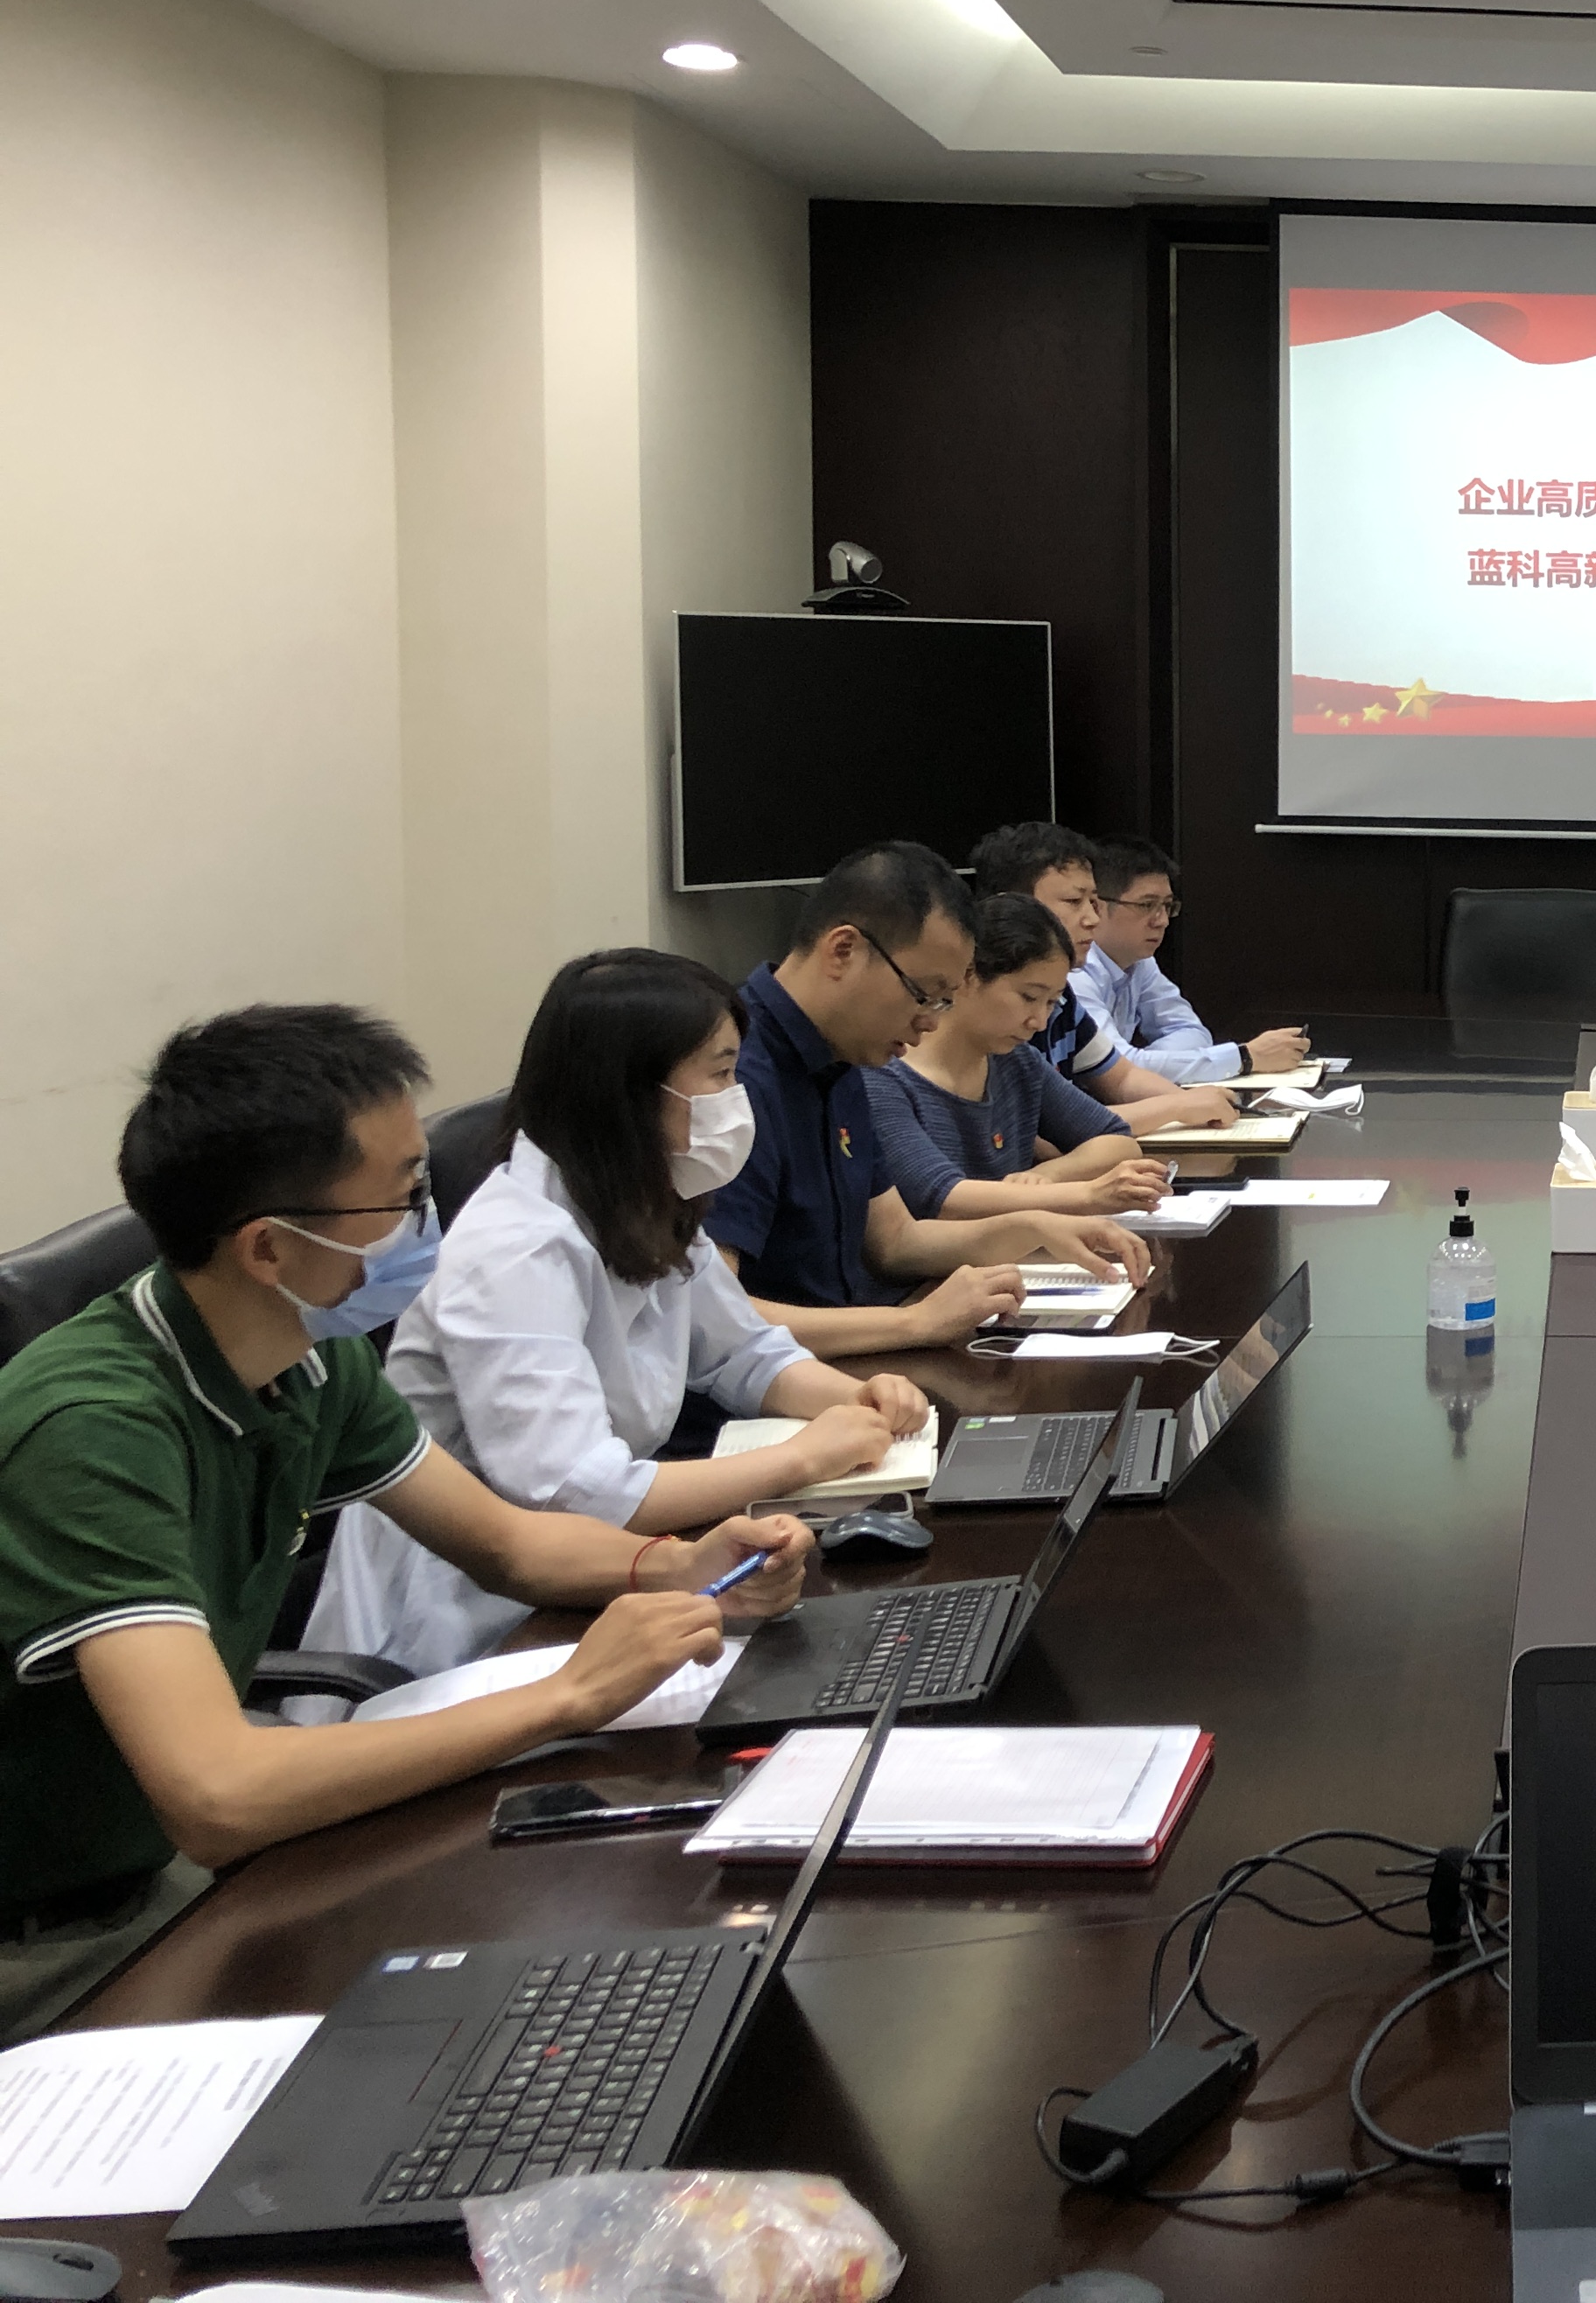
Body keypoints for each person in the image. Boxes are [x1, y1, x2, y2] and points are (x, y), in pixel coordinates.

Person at [0, 1006, 814, 2042]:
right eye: (401, 1196)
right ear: (268, 1247)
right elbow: (218, 1792)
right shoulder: (93, 1429)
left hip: (152, 1866)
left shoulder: (307, 1353)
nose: (427, 1219)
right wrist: (569, 1694)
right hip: (51, 1937)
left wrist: (678, 1564)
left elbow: (508, 1543)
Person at [304, 951, 941, 1680]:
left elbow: (744, 1353)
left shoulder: (648, 1198)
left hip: (596, 1578)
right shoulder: (516, 1249)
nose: (736, 1101)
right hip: (469, 1624)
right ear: (629, 1092)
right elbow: (578, 1490)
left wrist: (855, 1400)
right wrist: (801, 1457)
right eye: (720, 1074)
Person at [708, 840, 1154, 1358]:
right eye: (925, 994)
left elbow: (895, 1241)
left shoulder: (846, 1057)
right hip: (781, 1380)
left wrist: (1032, 1227)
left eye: (945, 1000)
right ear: (843, 951)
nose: (930, 1021)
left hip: (853, 1350)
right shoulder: (729, 1072)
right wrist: (913, 1322)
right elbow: (713, 1317)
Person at [868, 895, 1171, 1222]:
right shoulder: (884, 1074)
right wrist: (1085, 1194)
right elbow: (939, 1196)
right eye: (1029, 997)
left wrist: (1047, 1176)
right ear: (968, 976)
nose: (1038, 1022)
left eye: (1051, 1003)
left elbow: (1116, 1139)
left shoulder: (1018, 1062)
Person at [965, 822, 1238, 1133]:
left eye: (1094, 903)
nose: (1093, 919)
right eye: (1074, 902)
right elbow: (1060, 1130)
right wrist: (1177, 1106)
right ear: (1011, 905)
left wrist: (1196, 1102)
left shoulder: (1062, 997)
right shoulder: (993, 1015)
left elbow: (1121, 1078)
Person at [1077, 836, 1312, 1086]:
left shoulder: (1140, 962)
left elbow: (1192, 1032)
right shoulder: (1074, 973)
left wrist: (1146, 1063)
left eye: (1167, 906)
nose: (1162, 921)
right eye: (1146, 905)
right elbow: (1114, 1068)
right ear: (1097, 907)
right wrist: (1244, 1058)